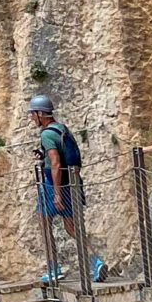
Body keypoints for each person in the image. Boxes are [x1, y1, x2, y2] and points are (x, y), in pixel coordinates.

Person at [31, 92, 103, 282]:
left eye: (33, 114)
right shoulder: (61, 129)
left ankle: (53, 268)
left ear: (40, 114)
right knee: (73, 228)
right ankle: (96, 262)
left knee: (44, 223)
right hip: (72, 183)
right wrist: (43, 155)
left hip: (54, 186)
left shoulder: (46, 134)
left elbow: (55, 163)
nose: (32, 118)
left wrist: (56, 194)